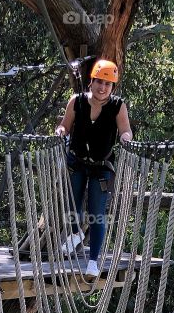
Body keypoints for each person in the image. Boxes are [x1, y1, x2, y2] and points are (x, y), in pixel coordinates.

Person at [54, 58, 133, 278]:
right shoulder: (77, 102)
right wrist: (60, 132)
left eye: (108, 84)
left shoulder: (118, 106)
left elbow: (126, 131)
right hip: (77, 162)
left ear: (113, 87)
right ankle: (74, 233)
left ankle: (93, 261)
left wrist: (126, 139)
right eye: (99, 82)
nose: (103, 87)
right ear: (92, 81)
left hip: (101, 168)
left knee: (97, 214)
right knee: (72, 208)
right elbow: (65, 125)